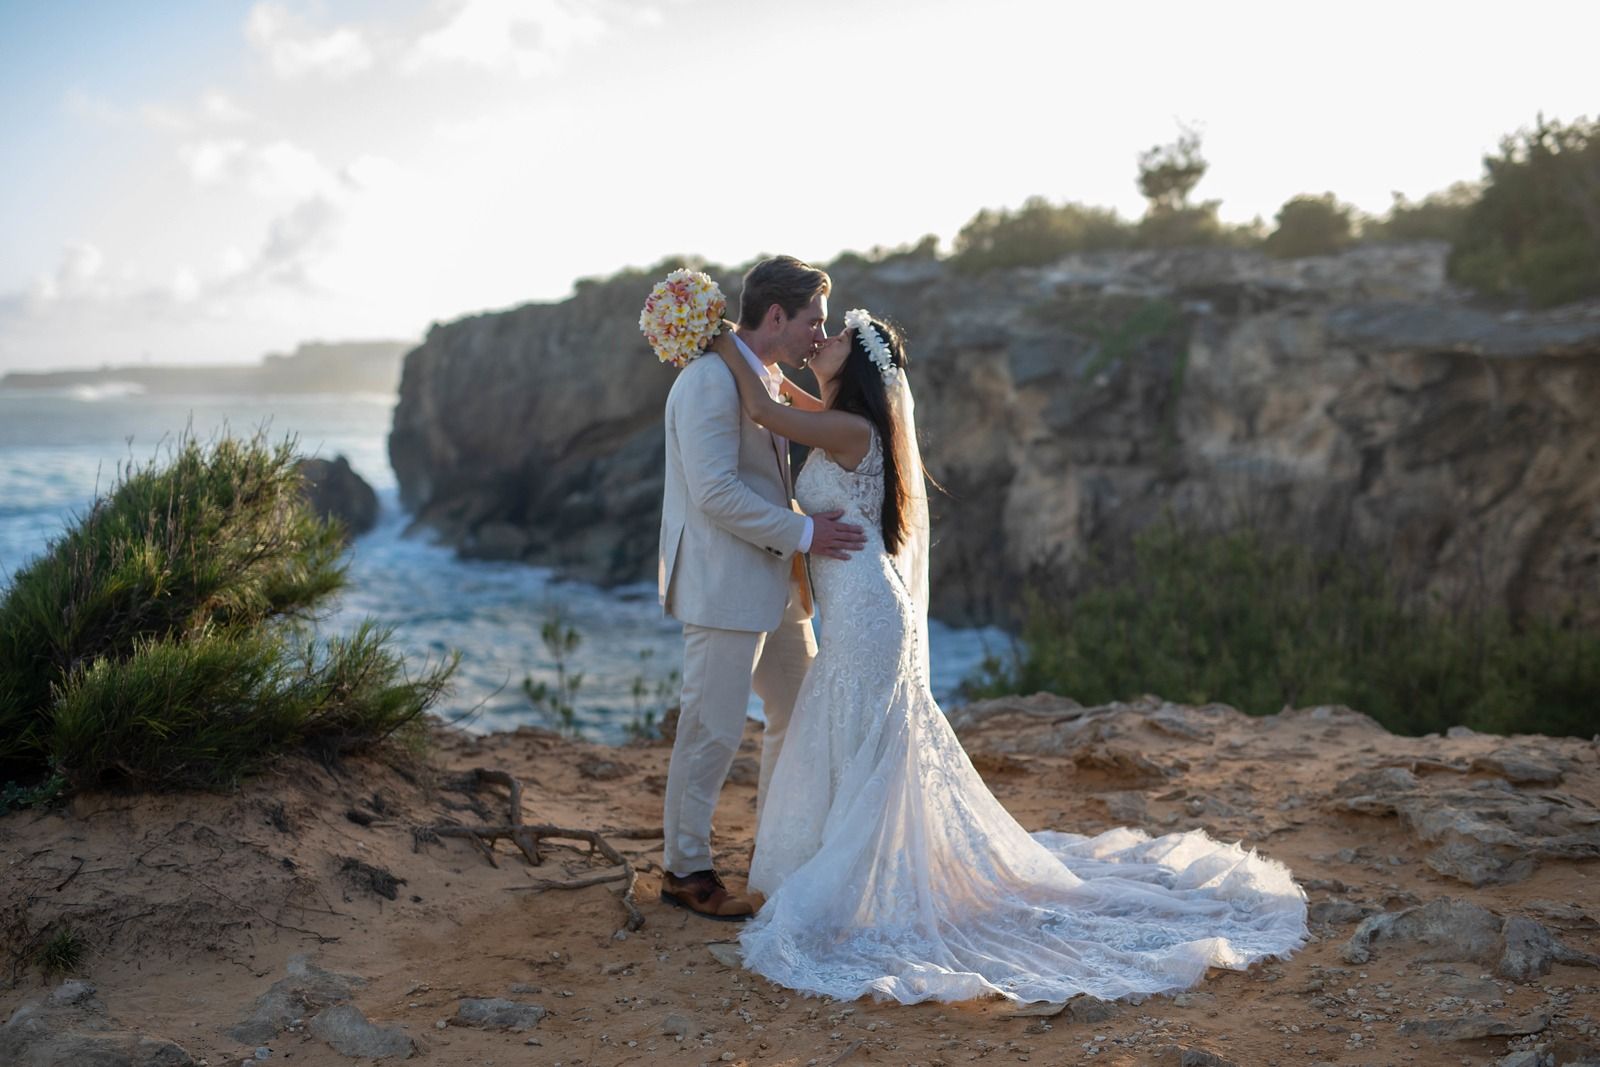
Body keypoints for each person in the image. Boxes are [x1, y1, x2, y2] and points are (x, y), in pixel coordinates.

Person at [707, 309, 1309, 1003]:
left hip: (870, 614)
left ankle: (866, 887)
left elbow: (759, 403)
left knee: (865, 738)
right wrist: (775, 357)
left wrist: (715, 331)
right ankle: (863, 875)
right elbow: (784, 398)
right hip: (863, 611)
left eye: (837, 337)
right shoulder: (847, 420)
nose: (824, 340)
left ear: (861, 369)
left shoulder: (849, 430)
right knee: (865, 740)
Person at [656, 256, 866, 921]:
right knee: (711, 729)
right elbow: (715, 492)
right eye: (814, 320)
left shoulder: (760, 375)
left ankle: (780, 850)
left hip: (774, 584)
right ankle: (684, 869)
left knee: (799, 712)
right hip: (723, 585)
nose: (818, 333)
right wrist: (806, 535)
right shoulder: (707, 383)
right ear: (777, 316)